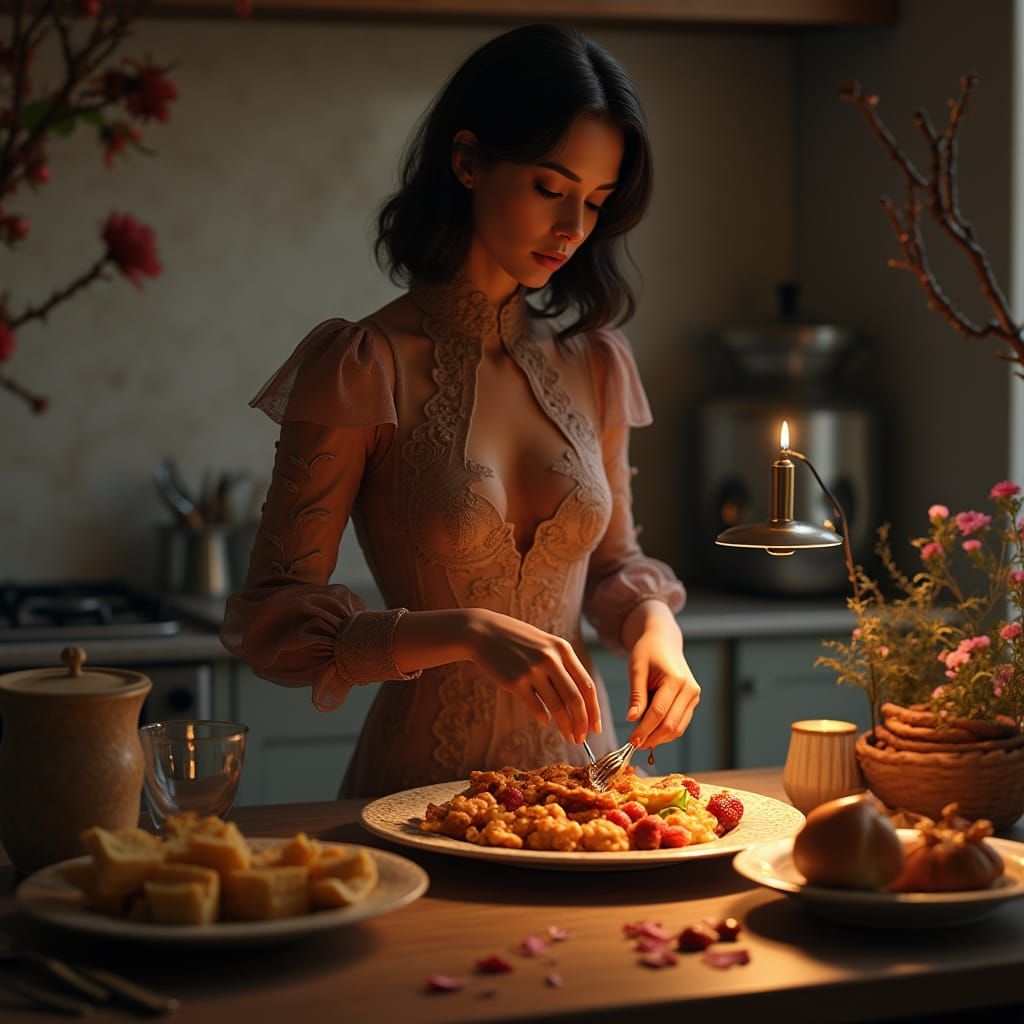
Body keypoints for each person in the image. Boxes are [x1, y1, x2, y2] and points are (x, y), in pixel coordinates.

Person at [220, 23, 699, 798]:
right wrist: (460, 631)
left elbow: (612, 564)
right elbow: (275, 622)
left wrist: (654, 623)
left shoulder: (596, 360)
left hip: (587, 791)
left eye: (596, 202)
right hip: (412, 803)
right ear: (468, 160)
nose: (574, 229)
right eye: (551, 188)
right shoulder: (362, 365)